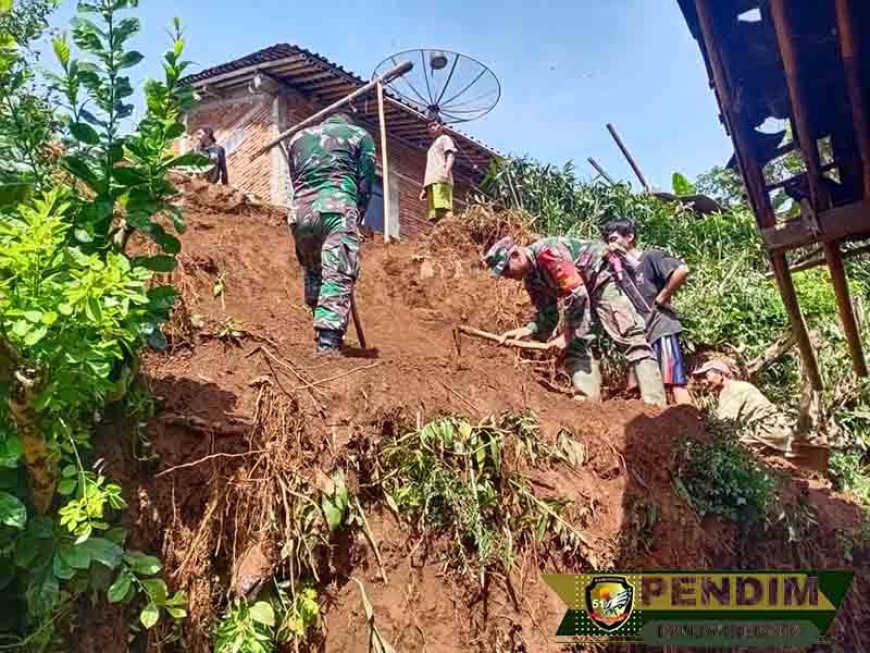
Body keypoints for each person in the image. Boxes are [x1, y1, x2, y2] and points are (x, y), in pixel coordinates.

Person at [484, 236, 666, 406]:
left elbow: (577, 292)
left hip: (600, 282)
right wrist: (527, 330)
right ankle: (587, 403)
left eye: (507, 268)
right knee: (576, 345)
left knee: (630, 336)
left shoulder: (548, 252)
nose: (506, 275)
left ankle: (653, 402)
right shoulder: (531, 279)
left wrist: (566, 335)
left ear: (516, 254)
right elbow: (548, 314)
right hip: (582, 294)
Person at [287, 112, 376, 355]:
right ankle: (328, 343)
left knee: (315, 270)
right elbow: (366, 183)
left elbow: (295, 179)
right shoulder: (361, 136)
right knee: (337, 273)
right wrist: (357, 215)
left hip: (300, 214)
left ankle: (320, 329)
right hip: (336, 208)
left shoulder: (297, 138)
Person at [602, 218, 692, 405]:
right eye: (608, 240)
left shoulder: (650, 257)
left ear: (630, 237)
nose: (611, 244)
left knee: (674, 383)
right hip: (641, 334)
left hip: (661, 328)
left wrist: (662, 297)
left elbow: (682, 270)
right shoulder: (619, 269)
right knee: (637, 387)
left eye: (614, 238)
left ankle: (692, 426)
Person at [693, 360, 793, 455]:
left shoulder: (731, 390)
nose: (703, 381)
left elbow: (724, 425)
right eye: (701, 378)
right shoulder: (734, 388)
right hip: (769, 428)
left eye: (706, 376)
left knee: (731, 451)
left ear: (721, 374)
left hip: (767, 431)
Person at [419, 120, 456, 223]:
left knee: (444, 208)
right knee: (435, 214)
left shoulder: (445, 139)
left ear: (441, 126)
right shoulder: (432, 146)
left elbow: (450, 155)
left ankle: (454, 229)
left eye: (434, 125)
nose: (432, 128)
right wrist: (425, 188)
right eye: (429, 126)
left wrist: (446, 170)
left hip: (441, 178)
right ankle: (442, 234)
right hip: (431, 181)